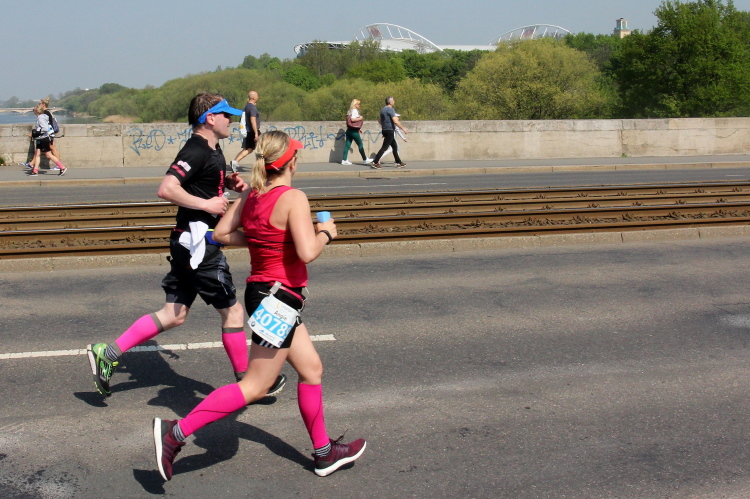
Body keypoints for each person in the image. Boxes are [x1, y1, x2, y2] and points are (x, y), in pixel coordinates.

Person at [152, 130, 366, 481]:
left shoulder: (251, 194)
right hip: (277, 299)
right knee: (255, 386)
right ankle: (174, 433)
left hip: (268, 295)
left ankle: (324, 453)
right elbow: (307, 252)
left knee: (312, 370)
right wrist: (327, 231)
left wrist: (260, 240)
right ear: (291, 162)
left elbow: (221, 234)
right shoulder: (293, 198)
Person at [85, 92, 286, 399]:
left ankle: (108, 354)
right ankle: (250, 383)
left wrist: (227, 184)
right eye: (226, 115)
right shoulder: (196, 150)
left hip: (186, 242)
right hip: (198, 244)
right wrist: (207, 204)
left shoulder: (212, 149)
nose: (231, 121)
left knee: (174, 313)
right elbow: (167, 188)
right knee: (233, 312)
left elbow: (200, 181)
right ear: (210, 118)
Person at [28, 103, 67, 176]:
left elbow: (45, 128)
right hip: (40, 138)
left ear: (37, 111)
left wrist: (36, 133)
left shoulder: (40, 118)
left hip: (43, 138)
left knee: (48, 155)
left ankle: (62, 167)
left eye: (34, 110)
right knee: (37, 154)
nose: (33, 111)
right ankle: (35, 170)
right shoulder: (42, 117)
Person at [371, 96, 408, 169]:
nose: (394, 102)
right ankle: (375, 162)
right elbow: (395, 121)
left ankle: (398, 162)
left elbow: (379, 120)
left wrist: (384, 126)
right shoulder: (391, 110)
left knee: (395, 147)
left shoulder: (383, 110)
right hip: (390, 130)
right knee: (384, 147)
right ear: (390, 102)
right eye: (393, 100)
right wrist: (403, 128)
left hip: (385, 130)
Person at [230, 90, 260, 172]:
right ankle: (235, 161)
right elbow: (253, 120)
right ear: (253, 98)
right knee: (253, 148)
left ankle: (235, 161)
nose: (258, 97)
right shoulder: (252, 108)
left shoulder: (247, 106)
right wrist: (256, 133)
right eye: (257, 96)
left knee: (250, 148)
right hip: (252, 131)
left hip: (248, 130)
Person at [341, 99, 374, 166]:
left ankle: (344, 160)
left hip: (349, 130)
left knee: (347, 145)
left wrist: (359, 129)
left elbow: (352, 122)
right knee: (360, 144)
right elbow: (353, 119)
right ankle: (365, 159)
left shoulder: (350, 111)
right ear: (355, 104)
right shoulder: (354, 110)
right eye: (358, 104)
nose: (359, 105)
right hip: (354, 132)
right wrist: (360, 118)